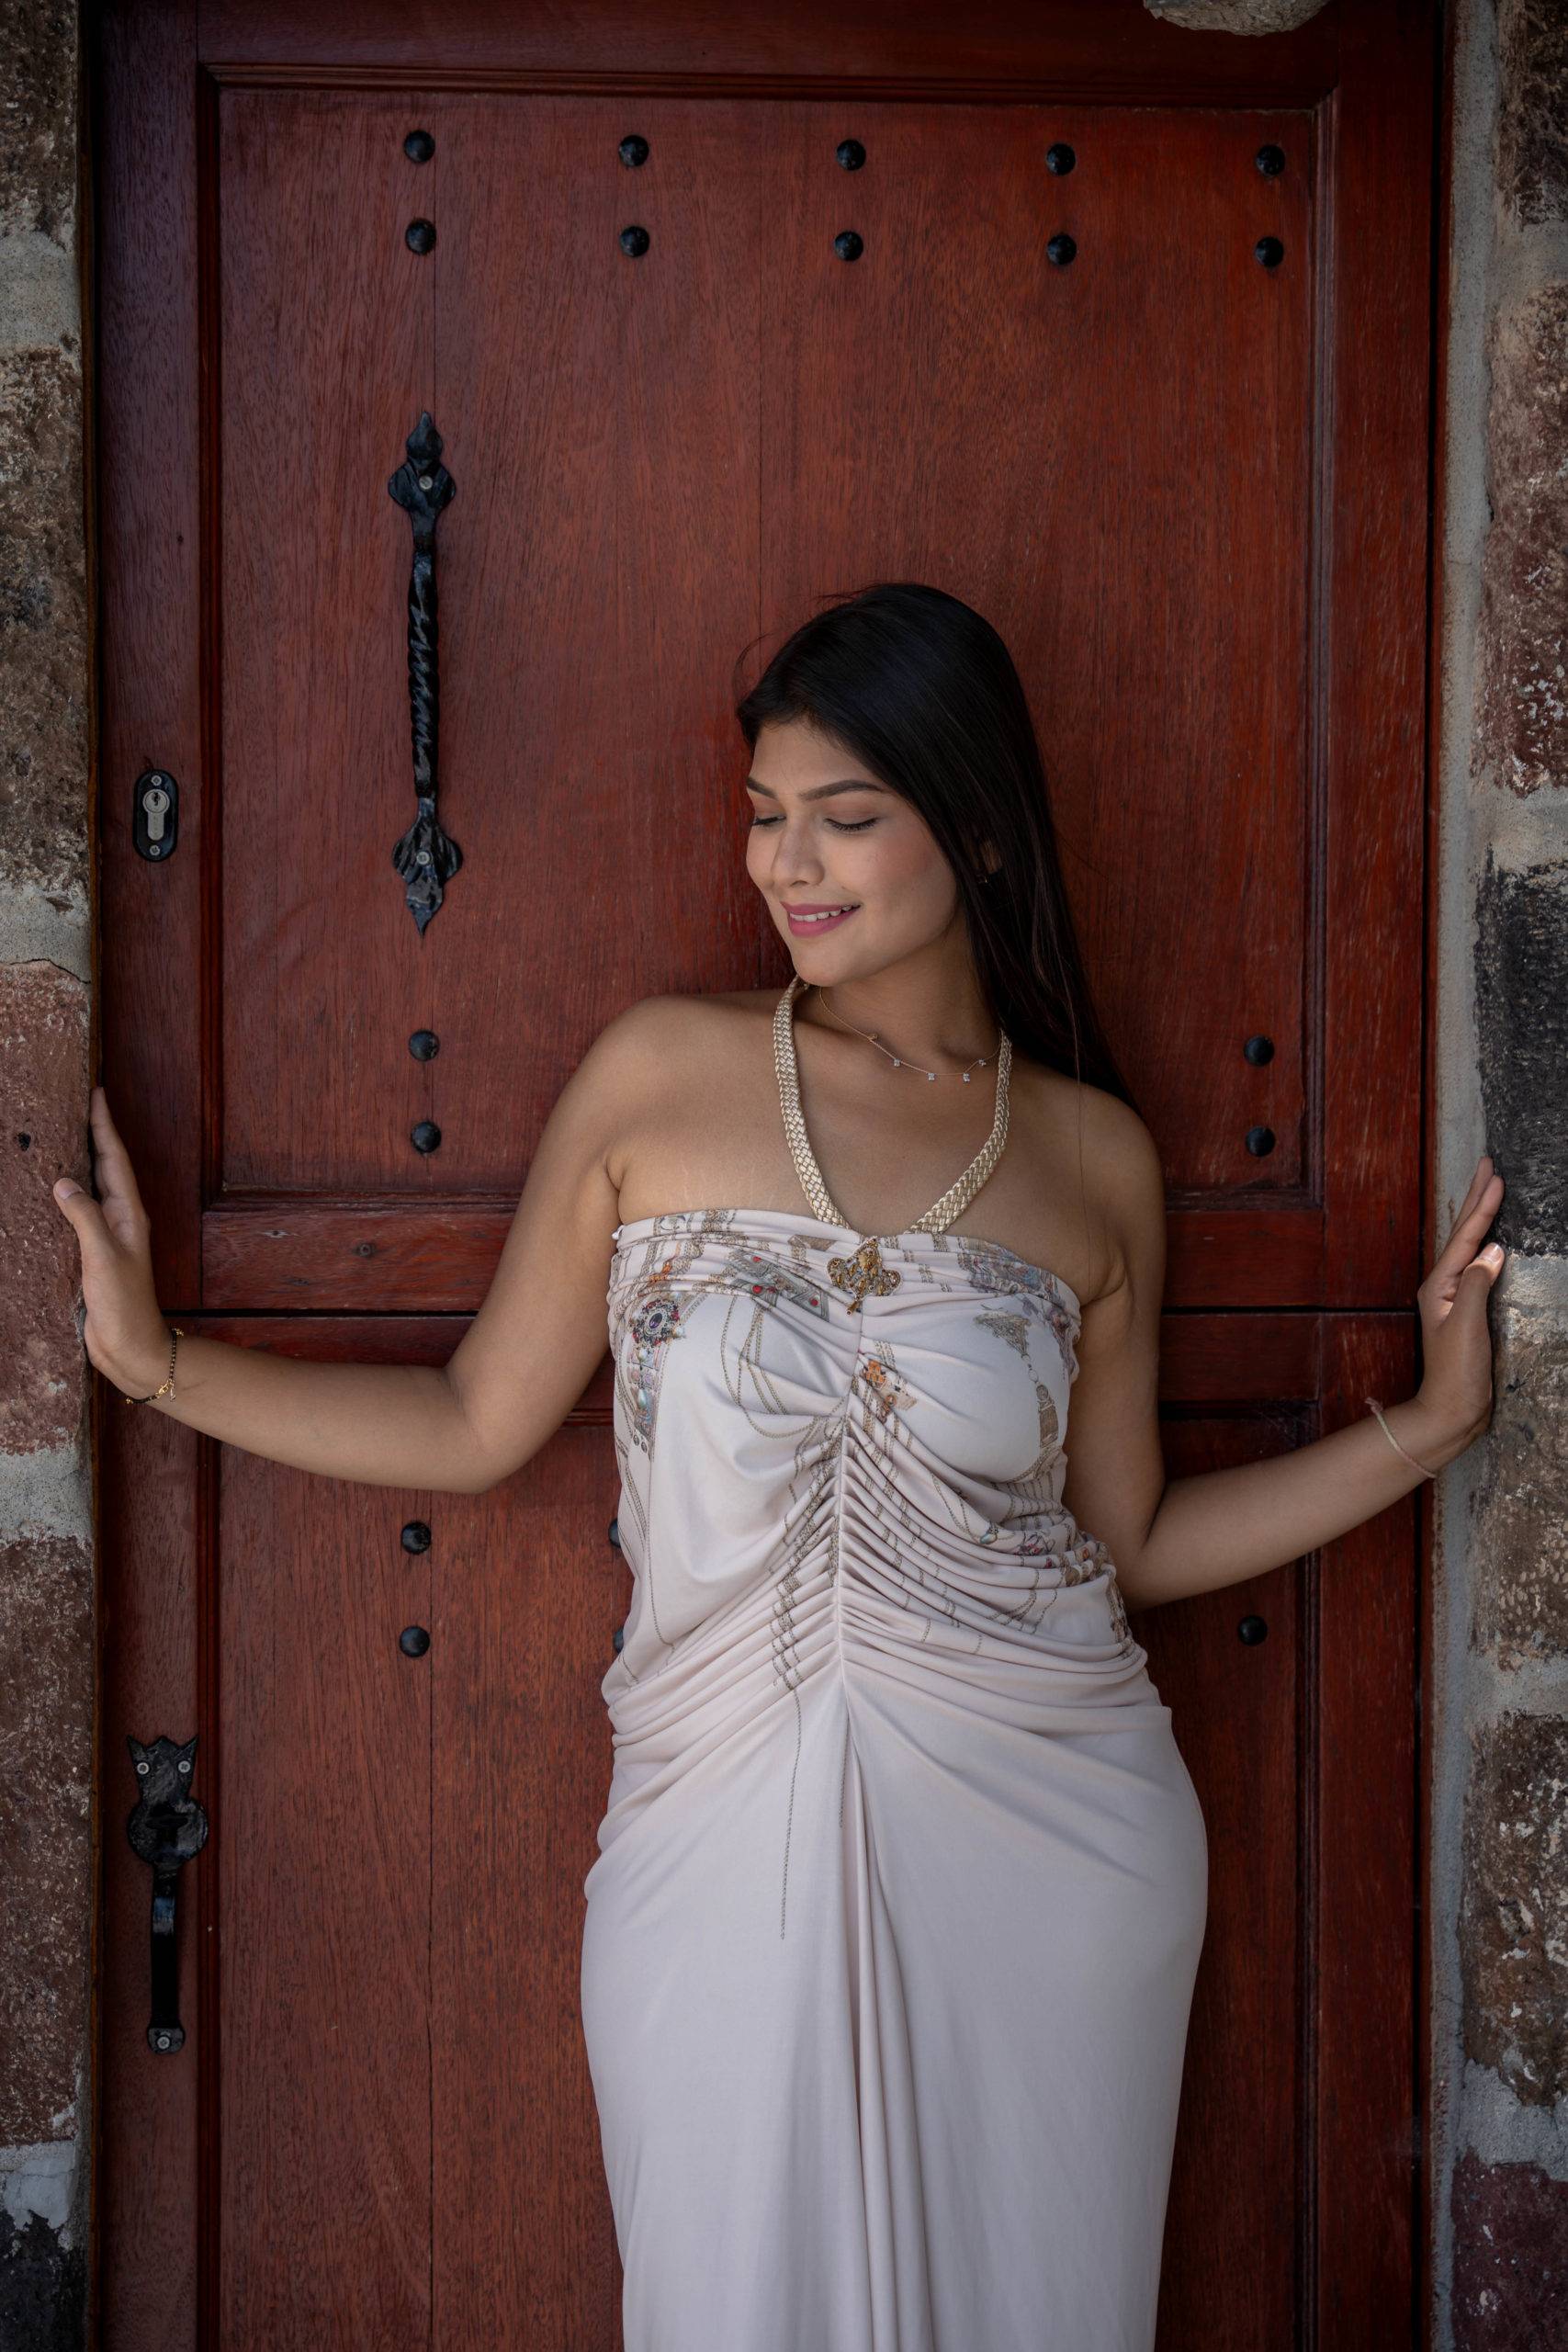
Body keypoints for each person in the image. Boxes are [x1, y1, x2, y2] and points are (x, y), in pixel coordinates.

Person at [54, 582, 1503, 2351]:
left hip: (1053, 1860)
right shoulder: (659, 1076)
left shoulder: (1090, 1158)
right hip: (710, 1838)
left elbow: (1122, 1542)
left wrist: (1425, 1425)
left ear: (972, 826)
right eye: (763, 816)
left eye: (844, 817)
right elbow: (472, 1422)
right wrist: (159, 1367)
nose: (784, 865)